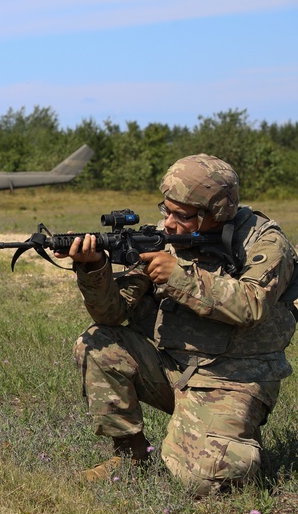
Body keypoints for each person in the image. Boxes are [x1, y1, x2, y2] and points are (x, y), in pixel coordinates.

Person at [61, 154, 297, 496]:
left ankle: (226, 432)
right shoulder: (164, 238)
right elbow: (112, 314)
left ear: (215, 212)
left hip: (234, 379)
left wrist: (179, 277)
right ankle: (131, 455)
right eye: (165, 211)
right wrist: (93, 268)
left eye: (182, 216)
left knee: (207, 481)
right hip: (174, 368)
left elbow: (252, 305)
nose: (168, 224)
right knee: (99, 343)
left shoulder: (266, 242)